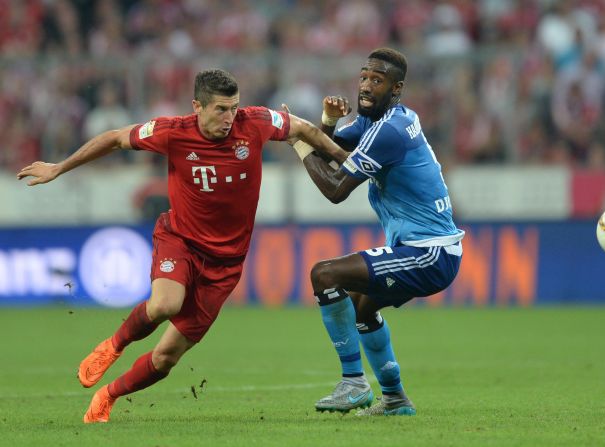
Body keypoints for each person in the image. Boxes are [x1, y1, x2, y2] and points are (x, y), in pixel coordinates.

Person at [17, 69, 348, 424]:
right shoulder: (173, 131)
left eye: (234, 108)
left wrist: (347, 160)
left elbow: (303, 129)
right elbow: (114, 138)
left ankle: (108, 396)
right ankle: (114, 345)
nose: (229, 117)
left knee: (165, 359)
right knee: (164, 304)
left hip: (225, 266)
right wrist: (59, 167)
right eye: (221, 109)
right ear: (197, 106)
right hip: (181, 241)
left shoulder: (254, 123)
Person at [288, 48, 464, 416]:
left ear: (396, 88)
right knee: (361, 307)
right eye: (364, 77)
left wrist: (299, 140)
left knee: (325, 274)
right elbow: (332, 151)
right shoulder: (377, 121)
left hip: (429, 253)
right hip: (427, 250)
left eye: (377, 80)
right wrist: (326, 123)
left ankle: (353, 383)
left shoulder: (391, 132)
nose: (366, 86)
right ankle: (396, 400)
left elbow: (335, 189)